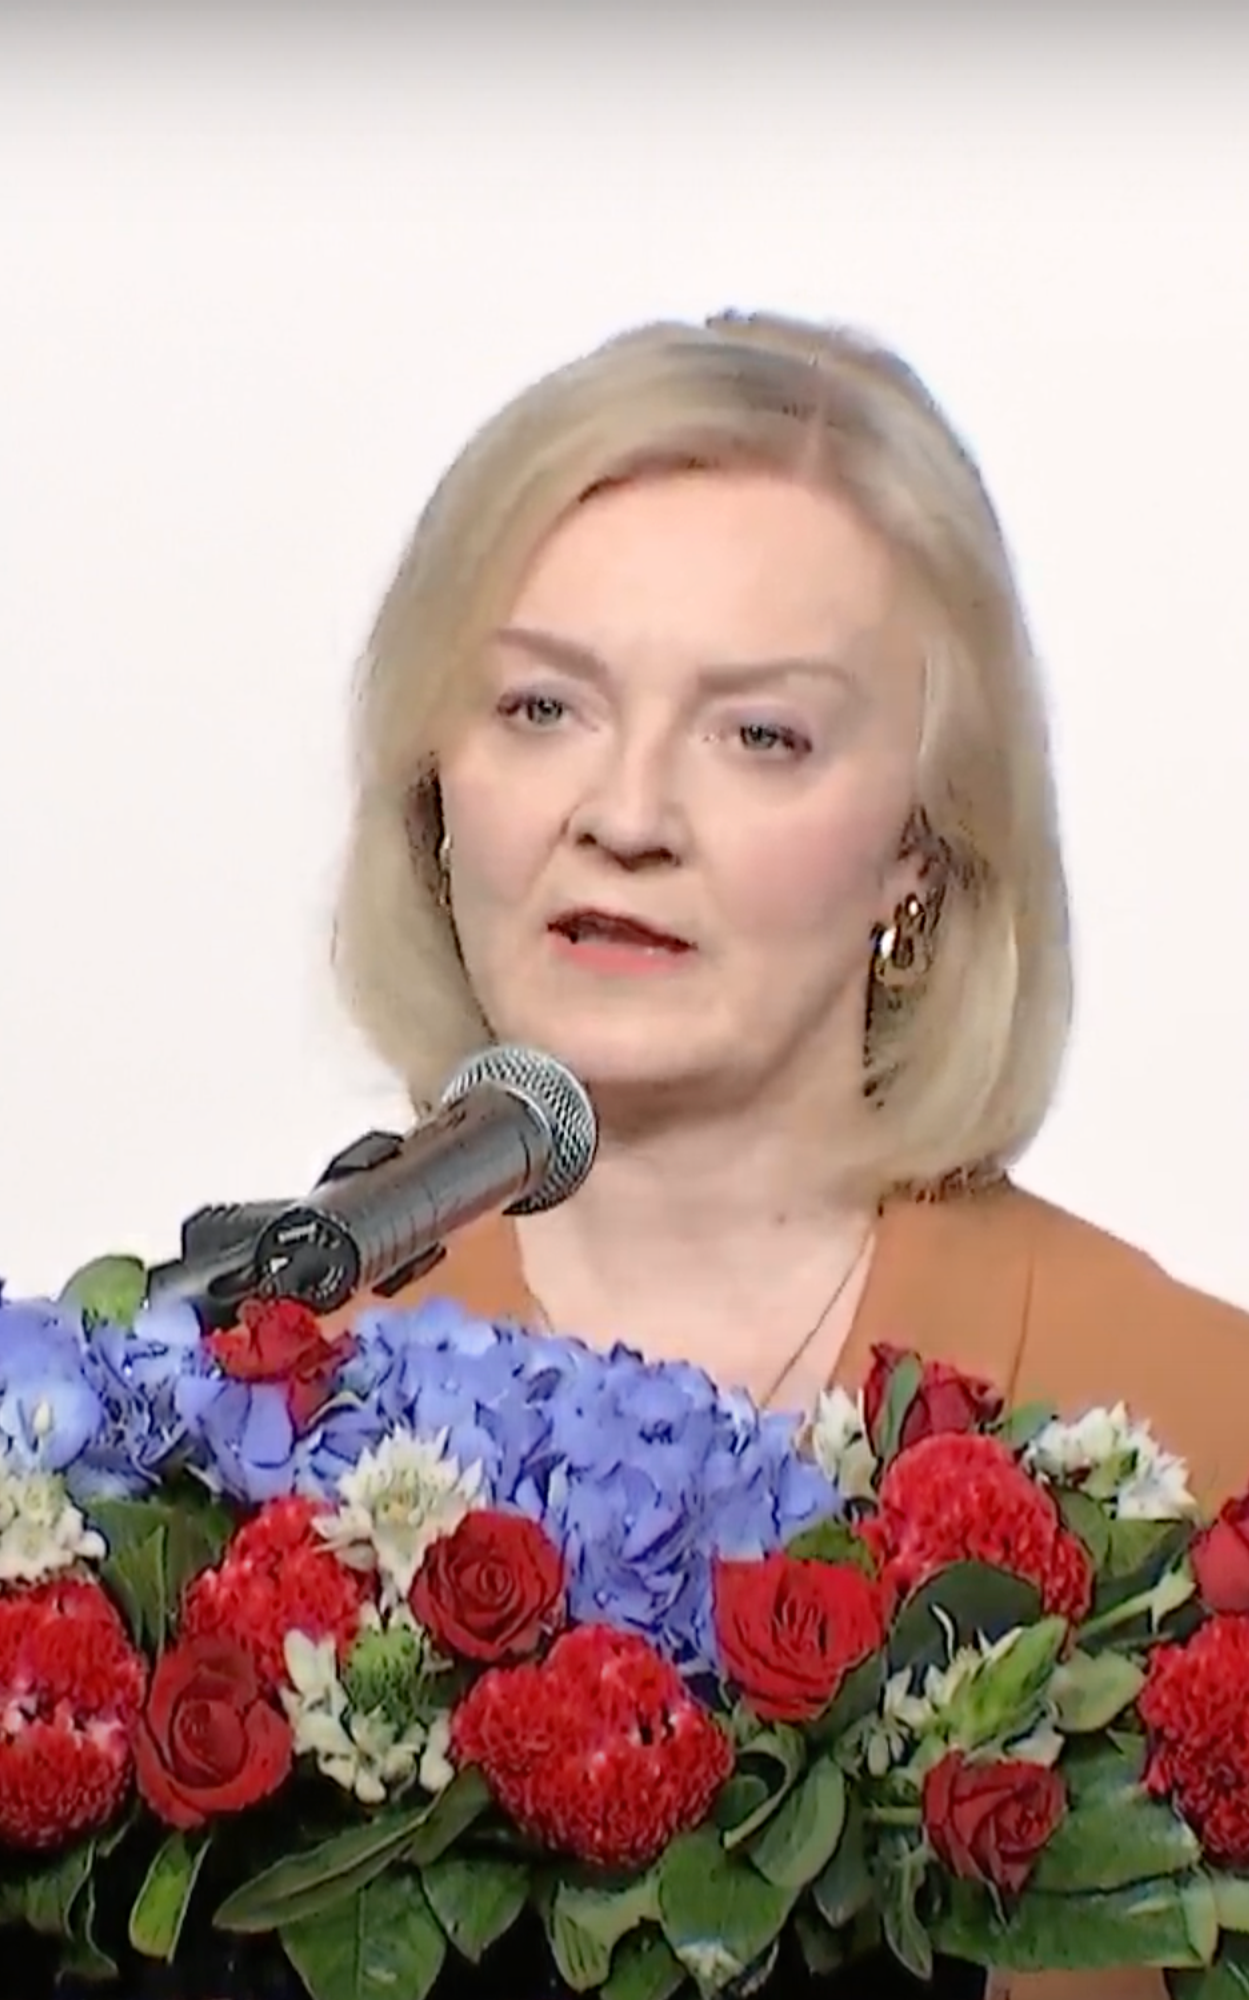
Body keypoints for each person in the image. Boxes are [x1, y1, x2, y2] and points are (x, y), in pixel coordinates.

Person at [327, 310, 1249, 2000]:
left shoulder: (1201, 1429)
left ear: (921, 843)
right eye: (541, 704)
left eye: (759, 735)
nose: (625, 813)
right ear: (433, 778)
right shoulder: (258, 1400)